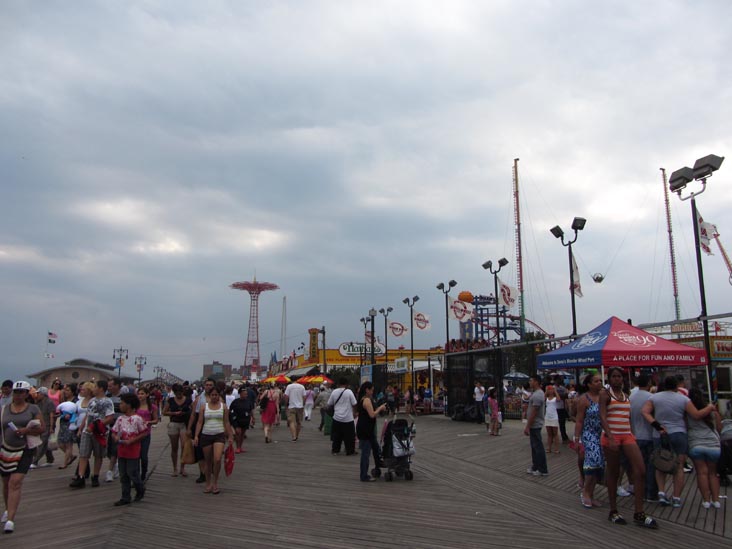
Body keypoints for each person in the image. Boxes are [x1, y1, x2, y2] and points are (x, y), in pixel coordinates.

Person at [641, 375, 714, 507]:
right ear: (677, 386)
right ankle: (676, 497)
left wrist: (656, 425)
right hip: (678, 433)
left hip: (660, 434)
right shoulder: (683, 399)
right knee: (679, 466)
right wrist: (709, 407)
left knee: (660, 464)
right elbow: (696, 415)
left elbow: (645, 411)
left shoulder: (654, 398)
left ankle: (661, 493)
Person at [599, 367, 657, 528]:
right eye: (614, 376)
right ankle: (613, 510)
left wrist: (632, 433)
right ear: (609, 378)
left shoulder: (626, 395)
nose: (617, 379)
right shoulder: (605, 394)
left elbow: (627, 416)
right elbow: (602, 416)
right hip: (612, 435)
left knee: (640, 470)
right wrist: (610, 436)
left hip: (626, 434)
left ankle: (639, 512)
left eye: (619, 376)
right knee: (614, 473)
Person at [0, 380, 45, 534]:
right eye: (16, 392)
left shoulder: (33, 408)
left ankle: (10, 519)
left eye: (21, 392)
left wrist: (26, 430)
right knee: (6, 482)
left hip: (25, 449)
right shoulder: (4, 408)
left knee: (15, 482)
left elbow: (42, 428)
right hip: (5, 448)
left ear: (26, 394)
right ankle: (8, 509)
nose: (18, 395)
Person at [70, 380, 115, 489]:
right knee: (83, 453)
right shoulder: (92, 401)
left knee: (98, 454)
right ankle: (80, 476)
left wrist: (96, 425)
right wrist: (81, 428)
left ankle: (95, 475)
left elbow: (110, 417)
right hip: (87, 431)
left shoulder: (108, 401)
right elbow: (88, 415)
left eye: (95, 387)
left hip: (100, 432)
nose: (93, 389)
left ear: (101, 388)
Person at [193, 383, 234, 494]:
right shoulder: (204, 407)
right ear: (209, 395)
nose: (214, 397)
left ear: (219, 395)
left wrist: (230, 435)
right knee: (208, 461)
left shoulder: (223, 407)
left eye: (216, 395)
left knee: (217, 459)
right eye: (212, 395)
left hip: (219, 435)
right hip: (206, 435)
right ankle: (208, 483)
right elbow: (200, 422)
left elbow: (227, 422)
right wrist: (196, 435)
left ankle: (215, 482)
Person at [687, 388, 723, 509]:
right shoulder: (712, 412)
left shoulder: (688, 413)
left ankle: (706, 501)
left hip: (696, 444)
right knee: (713, 473)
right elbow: (719, 428)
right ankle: (716, 500)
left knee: (702, 473)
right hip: (713, 445)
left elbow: (685, 427)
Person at [110, 393, 147, 506]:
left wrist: (132, 440)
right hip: (122, 450)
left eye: (122, 403)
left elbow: (144, 433)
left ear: (129, 405)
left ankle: (140, 488)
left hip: (133, 451)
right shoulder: (120, 419)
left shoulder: (137, 419)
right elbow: (114, 432)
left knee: (132, 473)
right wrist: (115, 437)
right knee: (123, 475)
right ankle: (125, 496)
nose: (120, 405)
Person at [574, 373, 604, 508]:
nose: (599, 383)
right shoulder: (584, 399)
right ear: (589, 384)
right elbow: (579, 420)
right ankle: (586, 492)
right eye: (596, 381)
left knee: (599, 465)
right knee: (593, 461)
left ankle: (591, 494)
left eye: (600, 380)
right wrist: (577, 438)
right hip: (588, 433)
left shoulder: (603, 397)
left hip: (601, 434)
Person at [629, 373, 658, 502]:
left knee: (637, 467)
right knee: (651, 466)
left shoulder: (631, 397)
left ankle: (638, 490)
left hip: (635, 435)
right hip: (650, 435)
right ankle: (650, 493)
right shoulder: (651, 397)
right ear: (649, 383)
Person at [356, 382, 388, 482]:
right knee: (366, 453)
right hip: (365, 429)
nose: (373, 392)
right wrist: (380, 408)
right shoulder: (366, 400)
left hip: (368, 428)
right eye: (372, 390)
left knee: (376, 448)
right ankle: (364, 476)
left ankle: (379, 464)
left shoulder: (366, 399)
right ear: (367, 390)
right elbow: (372, 415)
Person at [162, 383, 192, 477]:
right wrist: (174, 413)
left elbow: (192, 412)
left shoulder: (188, 400)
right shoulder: (170, 400)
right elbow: (164, 412)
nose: (179, 395)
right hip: (174, 423)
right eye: (177, 393)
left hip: (184, 424)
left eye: (180, 393)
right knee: (174, 447)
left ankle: (182, 467)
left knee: (184, 446)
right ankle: (175, 468)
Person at [523, 375, 548, 476]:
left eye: (531, 380)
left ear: (536, 382)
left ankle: (543, 469)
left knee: (538, 447)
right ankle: (536, 466)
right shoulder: (536, 393)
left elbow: (534, 412)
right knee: (534, 446)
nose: (529, 382)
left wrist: (527, 426)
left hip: (535, 424)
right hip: (534, 424)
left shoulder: (538, 394)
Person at [328, 378, 357, 456]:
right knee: (349, 436)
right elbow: (354, 404)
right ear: (347, 384)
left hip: (337, 417)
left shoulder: (334, 392)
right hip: (348, 418)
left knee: (337, 436)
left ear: (338, 384)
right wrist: (354, 413)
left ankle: (335, 450)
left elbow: (330, 403)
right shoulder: (349, 392)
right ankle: (350, 450)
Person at [135, 387, 159, 482]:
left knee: (143, 456)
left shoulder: (152, 407)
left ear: (147, 394)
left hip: (145, 434)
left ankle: (144, 473)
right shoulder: (135, 406)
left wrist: (148, 422)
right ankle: (136, 476)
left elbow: (156, 420)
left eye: (142, 394)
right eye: (139, 394)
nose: (140, 396)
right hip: (135, 434)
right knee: (136, 456)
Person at [30, 387, 55, 468]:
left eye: (39, 393)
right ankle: (50, 459)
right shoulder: (38, 402)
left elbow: (51, 416)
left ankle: (35, 461)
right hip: (39, 425)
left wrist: (51, 427)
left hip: (47, 425)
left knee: (41, 443)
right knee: (45, 444)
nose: (37, 395)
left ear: (43, 394)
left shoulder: (49, 402)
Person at [105, 378, 124, 483]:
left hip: (119, 427)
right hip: (108, 426)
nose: (109, 388)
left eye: (111, 386)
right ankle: (116, 465)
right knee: (108, 450)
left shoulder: (123, 397)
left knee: (114, 449)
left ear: (117, 386)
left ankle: (109, 471)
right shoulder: (107, 397)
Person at [56, 384, 78, 470]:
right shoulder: (64, 400)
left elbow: (77, 412)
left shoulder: (76, 401)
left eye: (68, 390)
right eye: (65, 390)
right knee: (60, 443)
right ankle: (71, 456)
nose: (66, 392)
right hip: (63, 423)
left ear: (73, 391)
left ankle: (65, 463)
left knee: (68, 444)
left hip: (70, 424)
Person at [229, 386, 254, 453]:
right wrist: (231, 418)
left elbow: (251, 410)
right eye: (244, 394)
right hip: (237, 419)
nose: (246, 395)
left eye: (246, 394)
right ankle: (237, 447)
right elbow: (230, 410)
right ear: (240, 394)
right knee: (238, 433)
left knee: (242, 434)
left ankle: (240, 447)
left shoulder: (248, 402)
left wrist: (253, 418)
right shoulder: (235, 401)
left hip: (245, 419)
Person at [554, 377, 570, 443]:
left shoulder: (562, 388)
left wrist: (561, 395)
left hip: (562, 407)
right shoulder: (553, 388)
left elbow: (566, 395)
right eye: (558, 380)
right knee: (554, 424)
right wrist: (562, 395)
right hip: (555, 407)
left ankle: (564, 437)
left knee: (562, 423)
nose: (559, 381)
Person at [544, 385, 560, 453]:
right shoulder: (547, 398)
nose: (550, 391)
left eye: (551, 390)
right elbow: (543, 398)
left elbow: (558, 399)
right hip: (547, 416)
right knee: (549, 434)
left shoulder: (555, 398)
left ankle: (556, 448)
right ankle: (549, 447)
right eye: (549, 390)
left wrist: (555, 391)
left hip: (554, 416)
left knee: (555, 433)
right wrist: (546, 391)